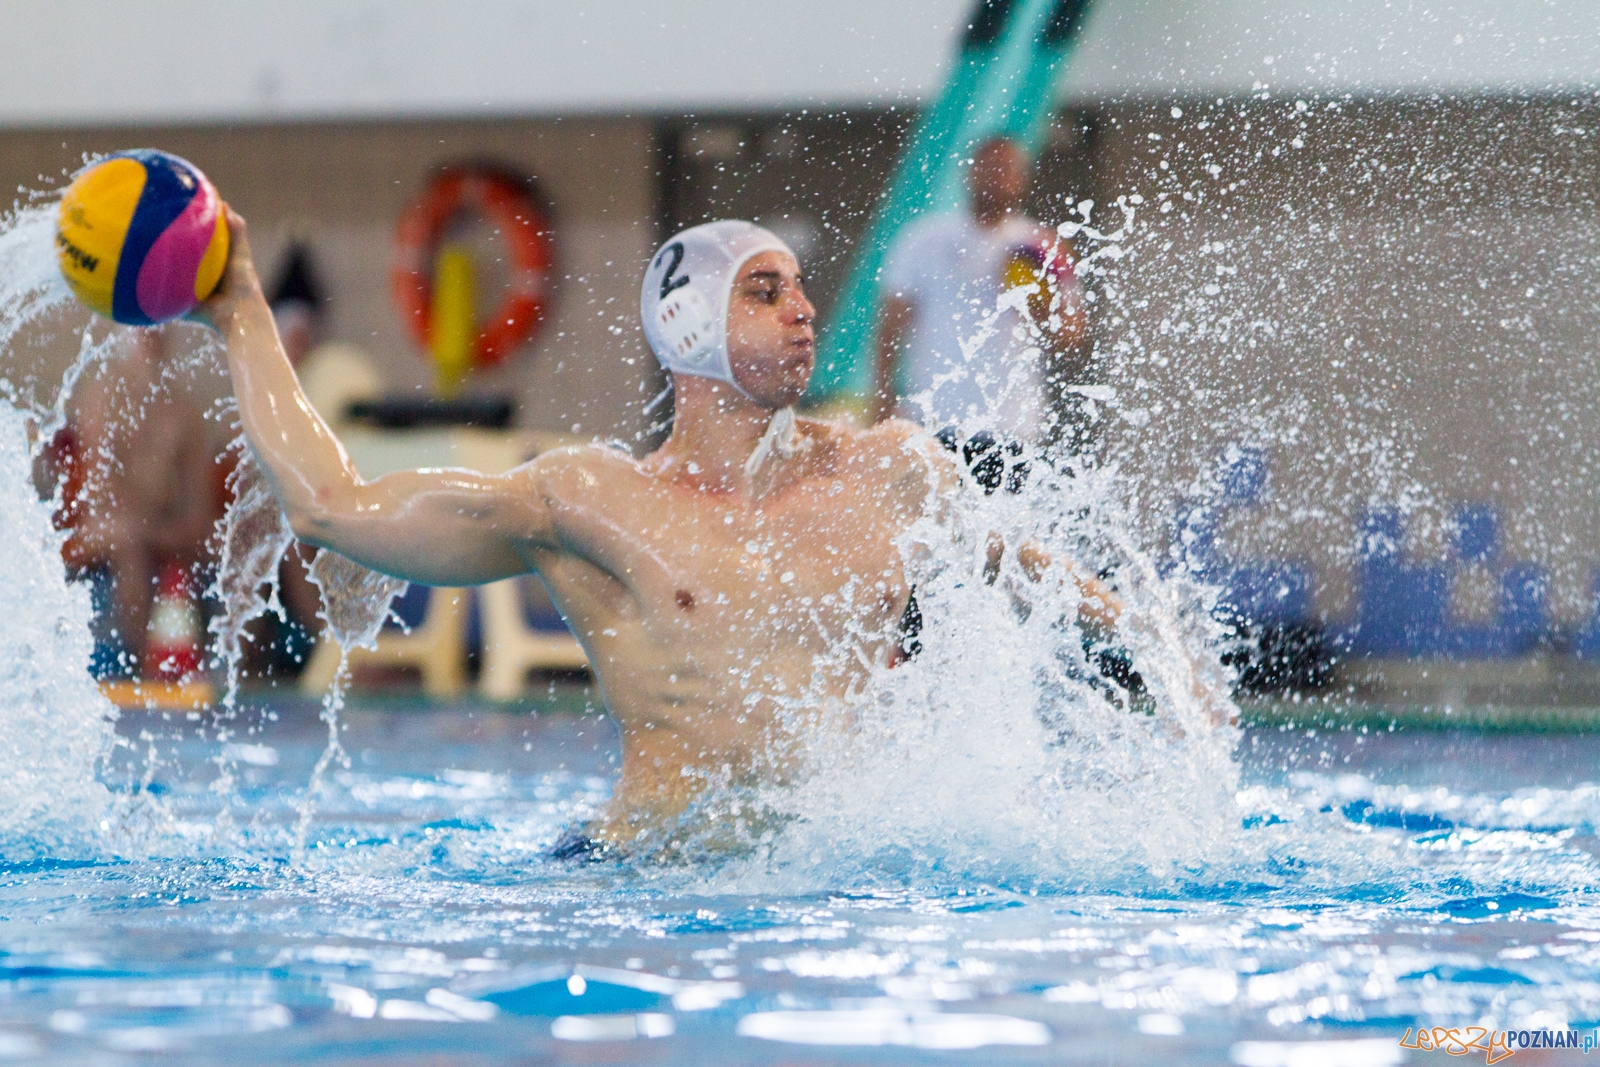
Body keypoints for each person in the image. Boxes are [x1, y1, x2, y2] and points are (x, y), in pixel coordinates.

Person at [199, 211, 1135, 858]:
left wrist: (1160, 656)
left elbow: (1024, 565)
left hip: (834, 882)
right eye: (766, 291)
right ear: (687, 321)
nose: (805, 309)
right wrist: (243, 306)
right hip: (641, 875)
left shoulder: (890, 468)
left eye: (799, 288)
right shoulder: (586, 502)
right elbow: (329, 504)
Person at [873, 136, 1087, 442]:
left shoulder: (1042, 247)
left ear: (1023, 179)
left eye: (1007, 169)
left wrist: (1037, 305)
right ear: (970, 173)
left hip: (1013, 423)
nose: (998, 178)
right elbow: (890, 326)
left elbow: (1072, 335)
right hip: (936, 418)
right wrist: (882, 396)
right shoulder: (924, 239)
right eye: (990, 168)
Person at [64, 326, 216, 674]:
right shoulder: (100, 398)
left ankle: (240, 671)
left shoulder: (184, 411)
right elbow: (99, 493)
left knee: (238, 549)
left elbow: (198, 505)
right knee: (129, 541)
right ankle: (143, 667)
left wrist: (182, 531)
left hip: (159, 526)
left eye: (160, 330)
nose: (153, 337)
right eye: (145, 331)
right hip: (106, 526)